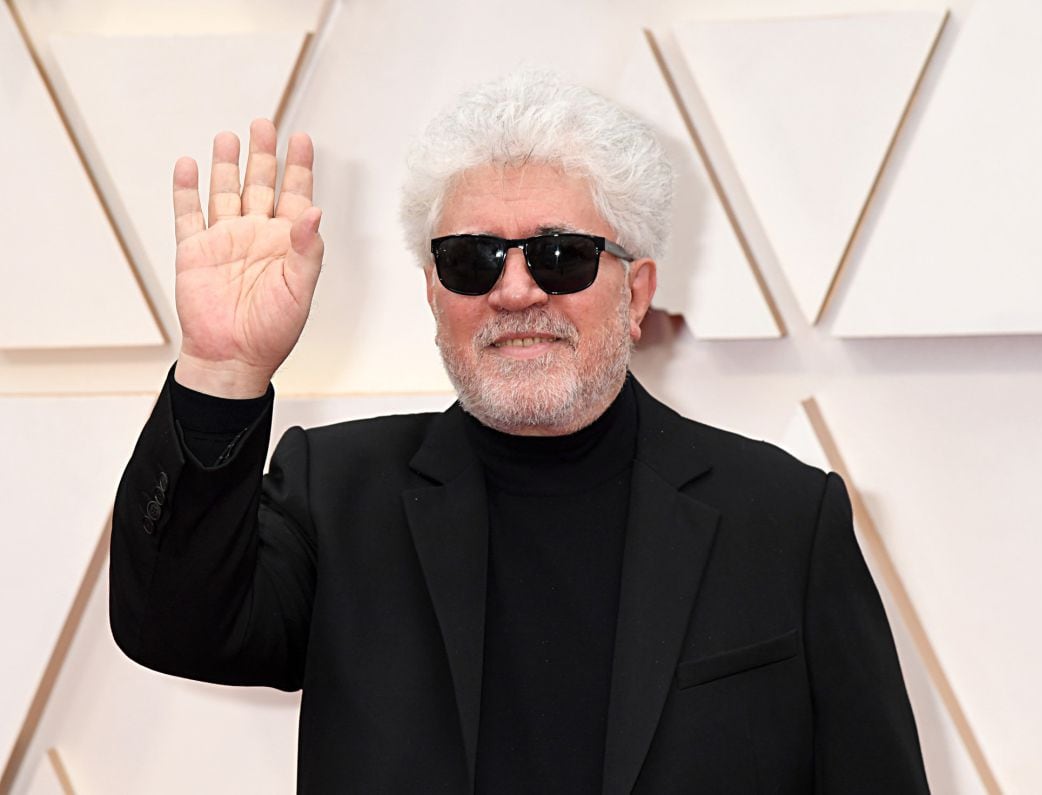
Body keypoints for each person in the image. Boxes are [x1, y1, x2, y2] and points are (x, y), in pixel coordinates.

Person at [110, 70, 930, 794]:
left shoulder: (784, 520)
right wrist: (222, 369)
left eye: (560, 255)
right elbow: (173, 624)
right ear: (435, 294)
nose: (514, 291)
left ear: (636, 293)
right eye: (473, 260)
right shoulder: (338, 491)